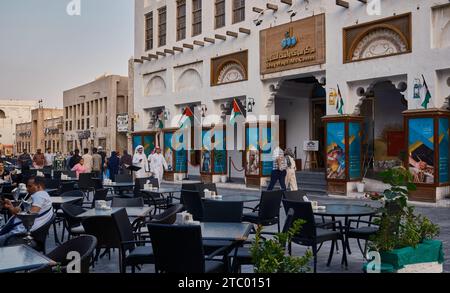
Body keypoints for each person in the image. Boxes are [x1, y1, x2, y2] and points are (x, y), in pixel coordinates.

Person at [0, 176, 54, 247]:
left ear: (38, 186)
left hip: (21, 234)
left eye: (29, 186)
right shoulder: (43, 195)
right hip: (22, 230)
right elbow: (25, 215)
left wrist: (16, 211)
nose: (27, 189)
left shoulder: (39, 195)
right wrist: (11, 207)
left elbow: (29, 217)